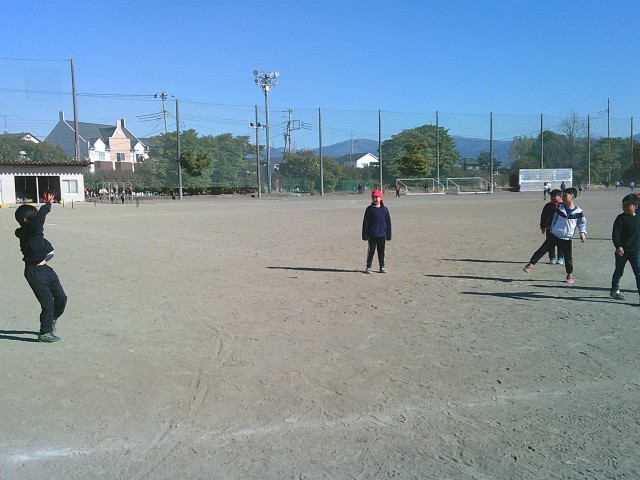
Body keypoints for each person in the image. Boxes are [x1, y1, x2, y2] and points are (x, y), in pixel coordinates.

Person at [14, 193, 67, 342]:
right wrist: (47, 206)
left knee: (61, 298)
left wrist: (46, 206)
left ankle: (52, 319)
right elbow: (38, 223)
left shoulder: (34, 230)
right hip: (34, 272)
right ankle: (45, 333)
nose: (36, 219)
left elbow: (38, 223)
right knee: (48, 302)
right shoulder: (26, 231)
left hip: (46, 269)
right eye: (33, 216)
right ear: (25, 220)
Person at [523, 188, 586, 284]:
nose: (563, 197)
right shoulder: (560, 209)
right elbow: (554, 220)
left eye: (565, 195)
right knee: (542, 249)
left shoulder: (578, 212)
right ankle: (530, 264)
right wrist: (552, 230)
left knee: (568, 257)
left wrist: (582, 233)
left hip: (567, 238)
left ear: (572, 197)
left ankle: (569, 274)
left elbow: (582, 223)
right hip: (555, 235)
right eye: (562, 195)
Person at [610, 194, 640, 302]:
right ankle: (615, 290)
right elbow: (615, 234)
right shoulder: (620, 218)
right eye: (623, 205)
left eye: (628, 205)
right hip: (622, 251)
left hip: (636, 251)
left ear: (636, 206)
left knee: (638, 273)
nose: (625, 207)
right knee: (619, 271)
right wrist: (618, 246)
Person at [362, 189, 392, 274]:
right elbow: (365, 223)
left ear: (380, 198)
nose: (375, 199)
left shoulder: (385, 209)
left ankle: (382, 266)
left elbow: (388, 223)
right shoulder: (369, 209)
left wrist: (388, 235)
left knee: (381, 252)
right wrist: (365, 235)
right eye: (373, 197)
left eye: (376, 197)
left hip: (382, 234)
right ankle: (368, 266)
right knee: (371, 251)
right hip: (372, 234)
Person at [539, 189, 565, 264]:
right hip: (550, 228)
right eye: (551, 196)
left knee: (561, 244)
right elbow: (544, 216)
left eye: (554, 196)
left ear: (560, 196)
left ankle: (560, 257)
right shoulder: (548, 206)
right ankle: (552, 258)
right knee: (550, 244)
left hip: (561, 228)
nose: (552, 197)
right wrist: (542, 226)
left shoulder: (564, 205)